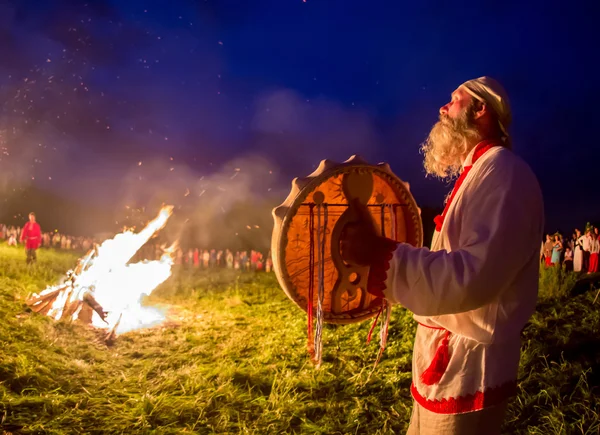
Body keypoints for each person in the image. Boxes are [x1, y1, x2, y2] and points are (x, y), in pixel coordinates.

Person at [341, 77, 543, 434]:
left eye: (454, 100)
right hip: (447, 359)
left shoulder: (503, 173)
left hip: (469, 367)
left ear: (481, 109)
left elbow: (473, 276)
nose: (442, 108)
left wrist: (380, 254)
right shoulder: (480, 172)